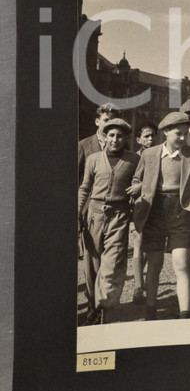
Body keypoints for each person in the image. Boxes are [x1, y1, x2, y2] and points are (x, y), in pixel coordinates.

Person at [130, 112, 190, 320]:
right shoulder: (149, 154)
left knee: (182, 264)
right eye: (179, 134)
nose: (184, 138)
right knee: (155, 263)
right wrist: (138, 189)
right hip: (155, 210)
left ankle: (184, 315)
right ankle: (150, 311)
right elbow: (136, 179)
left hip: (181, 211)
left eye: (186, 134)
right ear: (166, 132)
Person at [78, 118, 139, 324]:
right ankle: (92, 309)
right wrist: (78, 213)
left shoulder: (133, 160)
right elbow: (85, 188)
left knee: (111, 264)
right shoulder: (94, 159)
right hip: (94, 216)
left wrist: (138, 187)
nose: (115, 139)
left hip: (119, 216)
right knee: (92, 265)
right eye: (111, 135)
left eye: (120, 136)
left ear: (125, 138)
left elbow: (142, 182)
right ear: (104, 137)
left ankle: (105, 308)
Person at [131, 121, 158, 305]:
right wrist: (139, 186)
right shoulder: (133, 158)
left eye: (152, 135)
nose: (150, 138)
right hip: (140, 204)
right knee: (139, 242)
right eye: (146, 136)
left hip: (157, 206)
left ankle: (143, 280)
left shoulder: (159, 154)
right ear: (138, 139)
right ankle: (138, 286)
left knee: (152, 245)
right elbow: (134, 180)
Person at [78, 103, 121, 184]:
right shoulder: (83, 145)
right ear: (97, 122)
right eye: (106, 120)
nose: (109, 123)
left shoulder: (121, 144)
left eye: (113, 120)